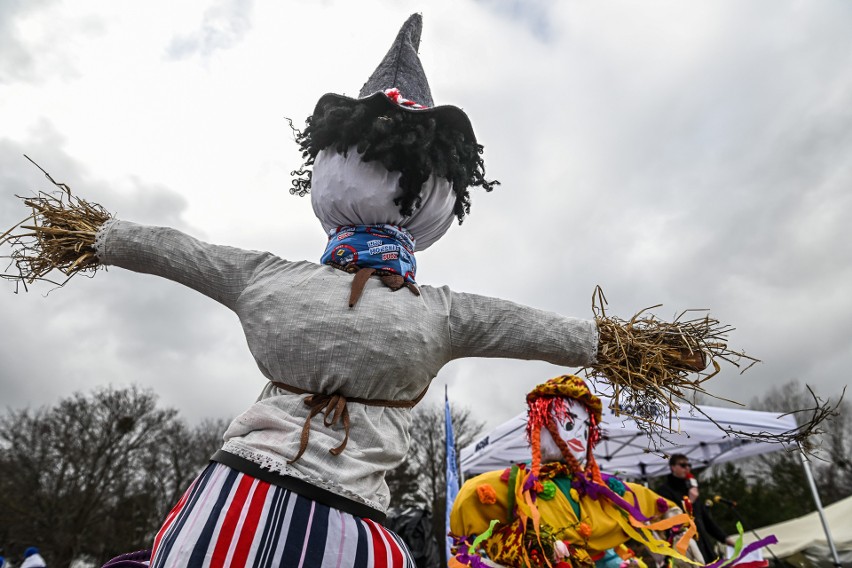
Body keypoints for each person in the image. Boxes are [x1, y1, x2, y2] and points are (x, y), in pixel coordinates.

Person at [3, 14, 709, 568]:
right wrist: (626, 347)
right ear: (441, 197)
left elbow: (175, 251)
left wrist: (90, 235)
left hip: (227, 507)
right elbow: (534, 328)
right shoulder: (441, 314)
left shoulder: (268, 279)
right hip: (351, 527)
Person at [449, 375, 698, 568]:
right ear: (540, 426)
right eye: (568, 424)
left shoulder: (599, 490)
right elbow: (472, 506)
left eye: (585, 430)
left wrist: (676, 526)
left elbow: (644, 499)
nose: (578, 437)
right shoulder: (517, 486)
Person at [656, 455, 734, 563]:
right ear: (673, 467)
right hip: (685, 547)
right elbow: (674, 521)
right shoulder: (665, 491)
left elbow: (706, 520)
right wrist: (690, 502)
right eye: (683, 465)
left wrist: (725, 539)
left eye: (689, 465)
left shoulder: (690, 488)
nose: (687, 468)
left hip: (703, 543)